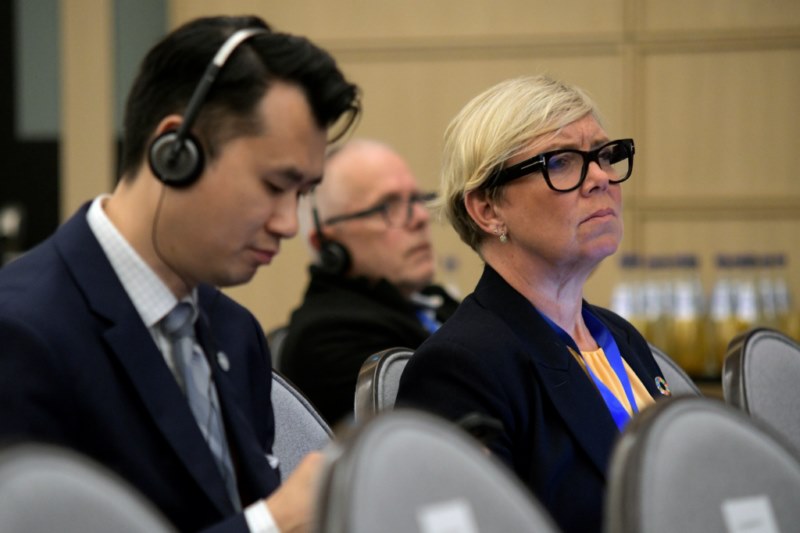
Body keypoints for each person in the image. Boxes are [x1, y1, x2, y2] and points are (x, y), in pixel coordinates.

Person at [0, 15, 360, 533]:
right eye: (274, 185)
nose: (288, 223)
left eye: (302, 193)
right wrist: (270, 525)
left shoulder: (235, 333)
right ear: (176, 152)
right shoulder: (22, 333)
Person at [395, 75, 673, 533]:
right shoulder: (461, 368)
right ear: (487, 209)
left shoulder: (620, 338)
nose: (601, 178)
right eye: (561, 162)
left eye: (605, 155)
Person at [280, 139, 459, 426]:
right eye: (387, 206)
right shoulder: (326, 338)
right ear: (327, 244)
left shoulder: (434, 300)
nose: (421, 217)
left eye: (416, 199)